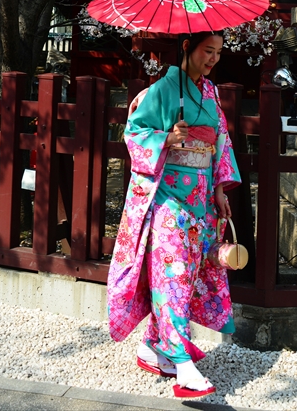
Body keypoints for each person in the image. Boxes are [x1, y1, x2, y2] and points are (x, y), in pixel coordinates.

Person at [107, 31, 241, 398]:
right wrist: (167, 138)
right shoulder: (162, 90)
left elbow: (220, 142)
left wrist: (218, 190)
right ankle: (182, 365)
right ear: (188, 47)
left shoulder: (210, 93)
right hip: (166, 198)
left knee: (188, 274)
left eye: (217, 53)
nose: (212, 59)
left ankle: (152, 346)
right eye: (207, 51)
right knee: (173, 277)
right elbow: (134, 134)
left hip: (199, 199)